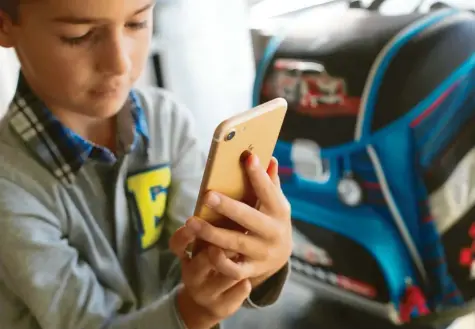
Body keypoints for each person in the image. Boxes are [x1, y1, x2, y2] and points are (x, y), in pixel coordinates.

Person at [0, 1, 293, 329]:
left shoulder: (166, 121)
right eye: (78, 36)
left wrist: (259, 262)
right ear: (5, 25)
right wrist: (193, 312)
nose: (119, 63)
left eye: (136, 23)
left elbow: (194, 266)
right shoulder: (9, 184)